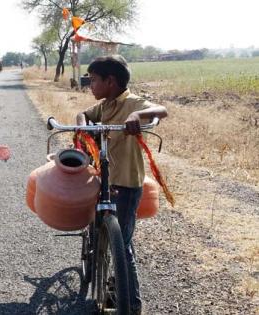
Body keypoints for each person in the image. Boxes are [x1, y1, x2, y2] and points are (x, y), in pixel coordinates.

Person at [76, 56, 168, 315]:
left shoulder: (131, 102)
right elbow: (83, 113)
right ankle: (99, 248)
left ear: (111, 81)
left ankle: (132, 304)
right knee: (104, 227)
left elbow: (162, 110)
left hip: (126, 184)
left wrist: (138, 116)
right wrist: (83, 124)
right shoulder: (104, 105)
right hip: (103, 178)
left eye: (93, 80)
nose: (90, 85)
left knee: (123, 244)